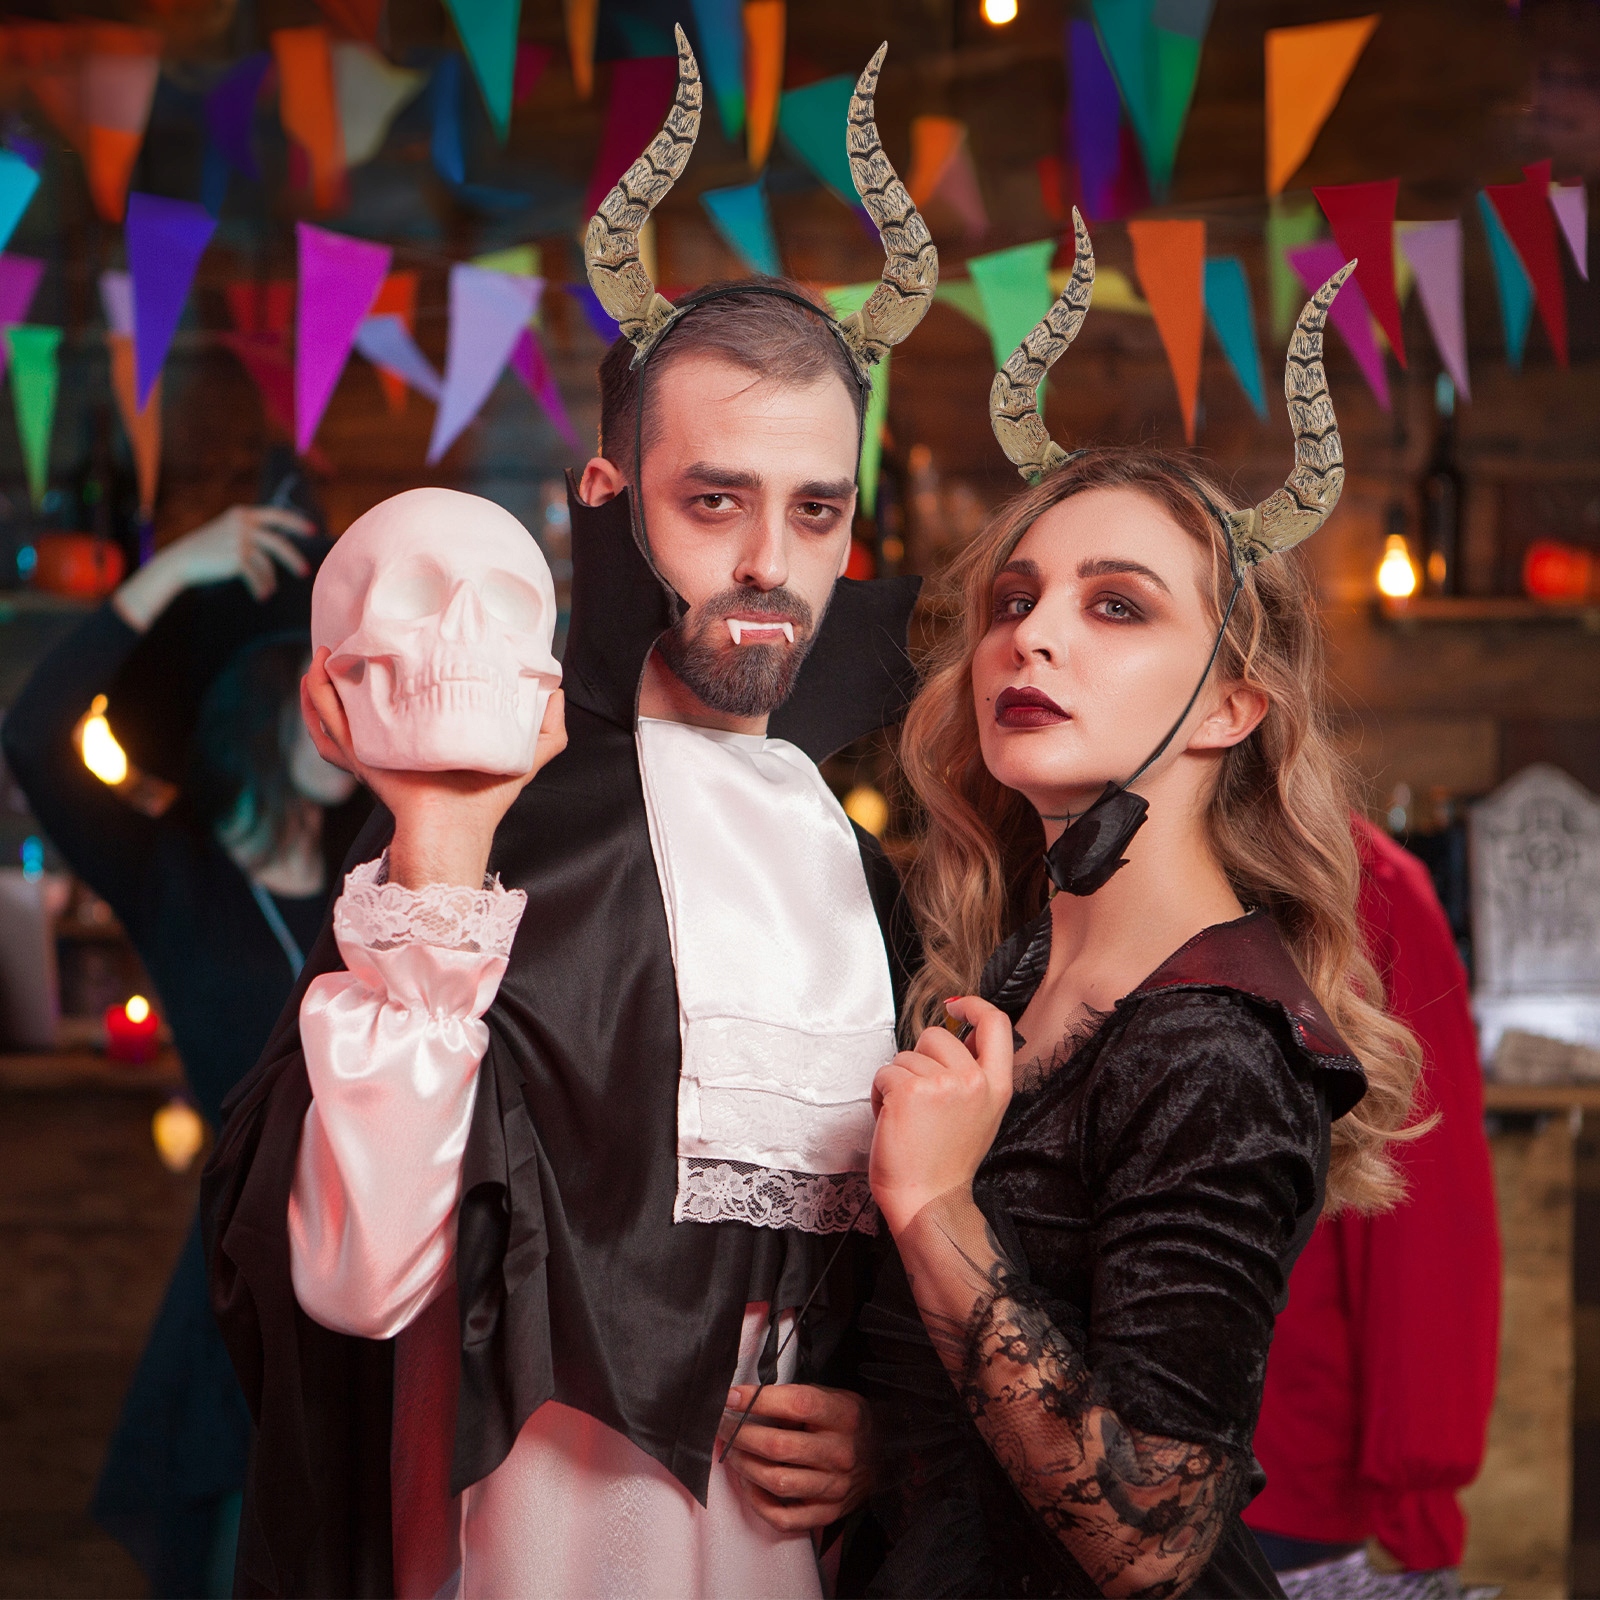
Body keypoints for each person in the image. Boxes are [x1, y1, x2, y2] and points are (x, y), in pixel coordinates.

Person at [203, 32, 935, 1599]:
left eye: (815, 512)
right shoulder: (498, 822)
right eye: (714, 500)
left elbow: (902, 1264)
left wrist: (889, 1436)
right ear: (612, 502)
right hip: (525, 1538)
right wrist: (438, 853)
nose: (770, 561)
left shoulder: (863, 867)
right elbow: (356, 1277)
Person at [858, 217, 1421, 1598]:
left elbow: (1153, 1529)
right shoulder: (1013, 970)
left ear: (1230, 705)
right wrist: (881, 1450)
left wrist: (932, 1207)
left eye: (1117, 607)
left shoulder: (1213, 1040)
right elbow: (1024, 1397)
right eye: (1014, 597)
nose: (1030, 634)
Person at [1, 494, 368, 1598]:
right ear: (260, 694)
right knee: (232, 1554)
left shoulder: (384, 861)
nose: (345, 709)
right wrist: (168, 572)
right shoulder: (170, 868)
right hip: (247, 1273)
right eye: (321, 682)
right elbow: (32, 735)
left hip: (383, 1258)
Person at [1243, 814, 1501, 1590]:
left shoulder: (1360, 885)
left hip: (1280, 1464)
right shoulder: (1042, 862)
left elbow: (1424, 1213)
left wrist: (1418, 1499)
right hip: (1050, 1446)